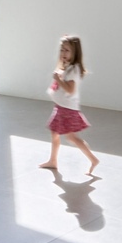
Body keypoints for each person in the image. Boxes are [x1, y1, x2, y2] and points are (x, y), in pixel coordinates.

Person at [39, 35, 99, 175]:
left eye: (67, 50)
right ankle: (53, 161)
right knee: (55, 133)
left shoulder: (74, 70)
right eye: (62, 50)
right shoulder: (68, 67)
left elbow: (70, 90)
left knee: (71, 137)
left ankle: (93, 159)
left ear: (75, 52)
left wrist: (58, 79)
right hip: (61, 107)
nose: (63, 53)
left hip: (66, 109)